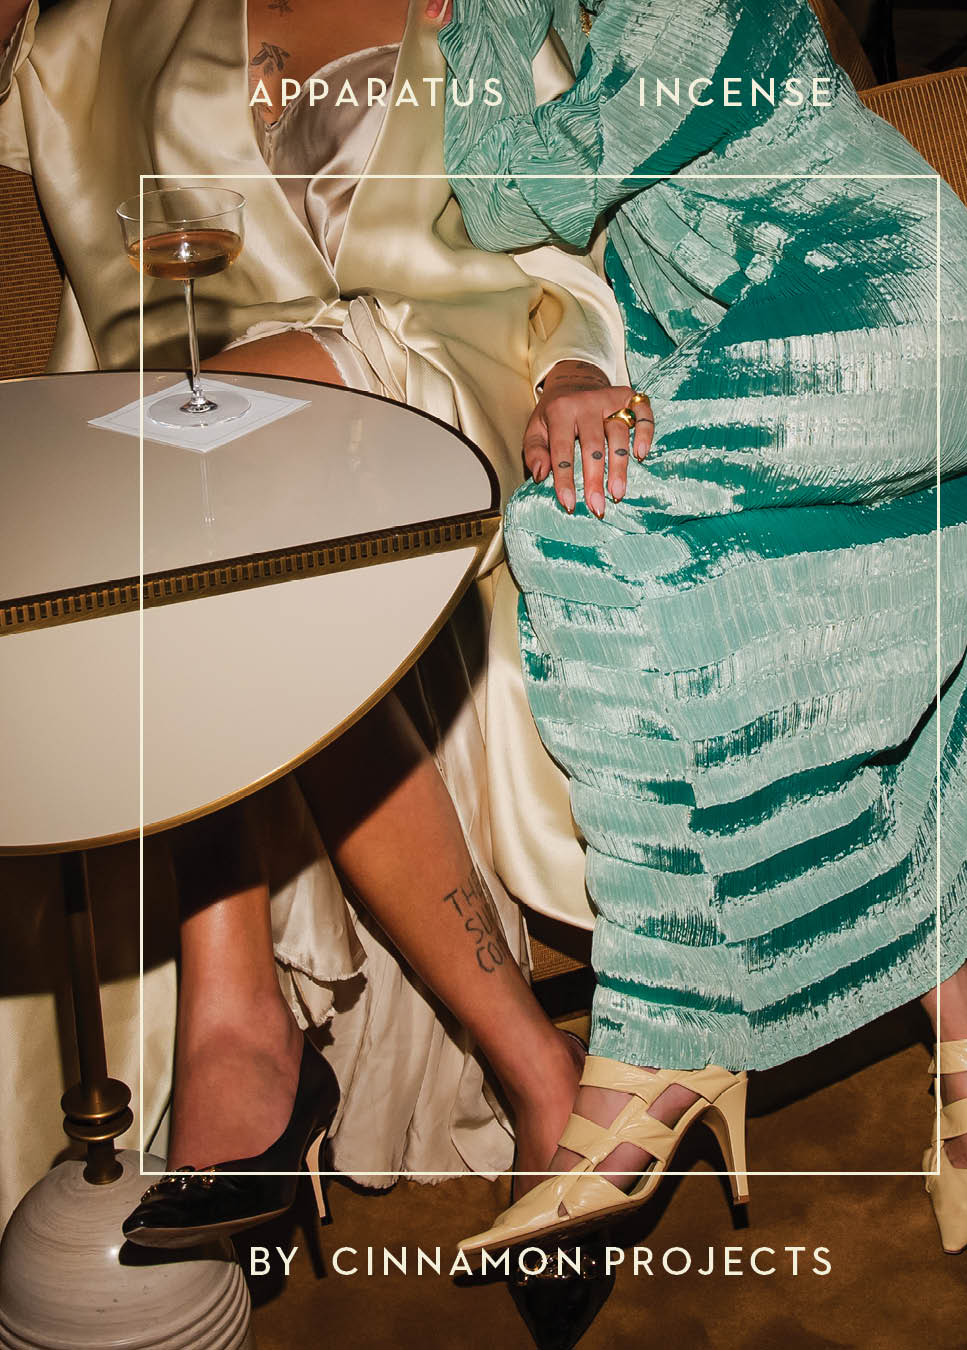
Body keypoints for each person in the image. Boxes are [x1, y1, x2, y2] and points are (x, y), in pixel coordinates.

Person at [438, 0, 967, 1257]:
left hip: (894, 312)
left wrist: (481, 27)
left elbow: (515, 194)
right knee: (643, 575)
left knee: (576, 532)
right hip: (762, 347)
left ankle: (654, 1045)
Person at [0, 0, 632, 1242]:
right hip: (219, 428)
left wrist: (574, 369)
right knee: (196, 497)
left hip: (436, 369)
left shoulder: (492, 12)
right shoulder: (109, 25)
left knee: (181, 464)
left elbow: (583, 235)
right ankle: (531, 1070)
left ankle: (241, 1030)